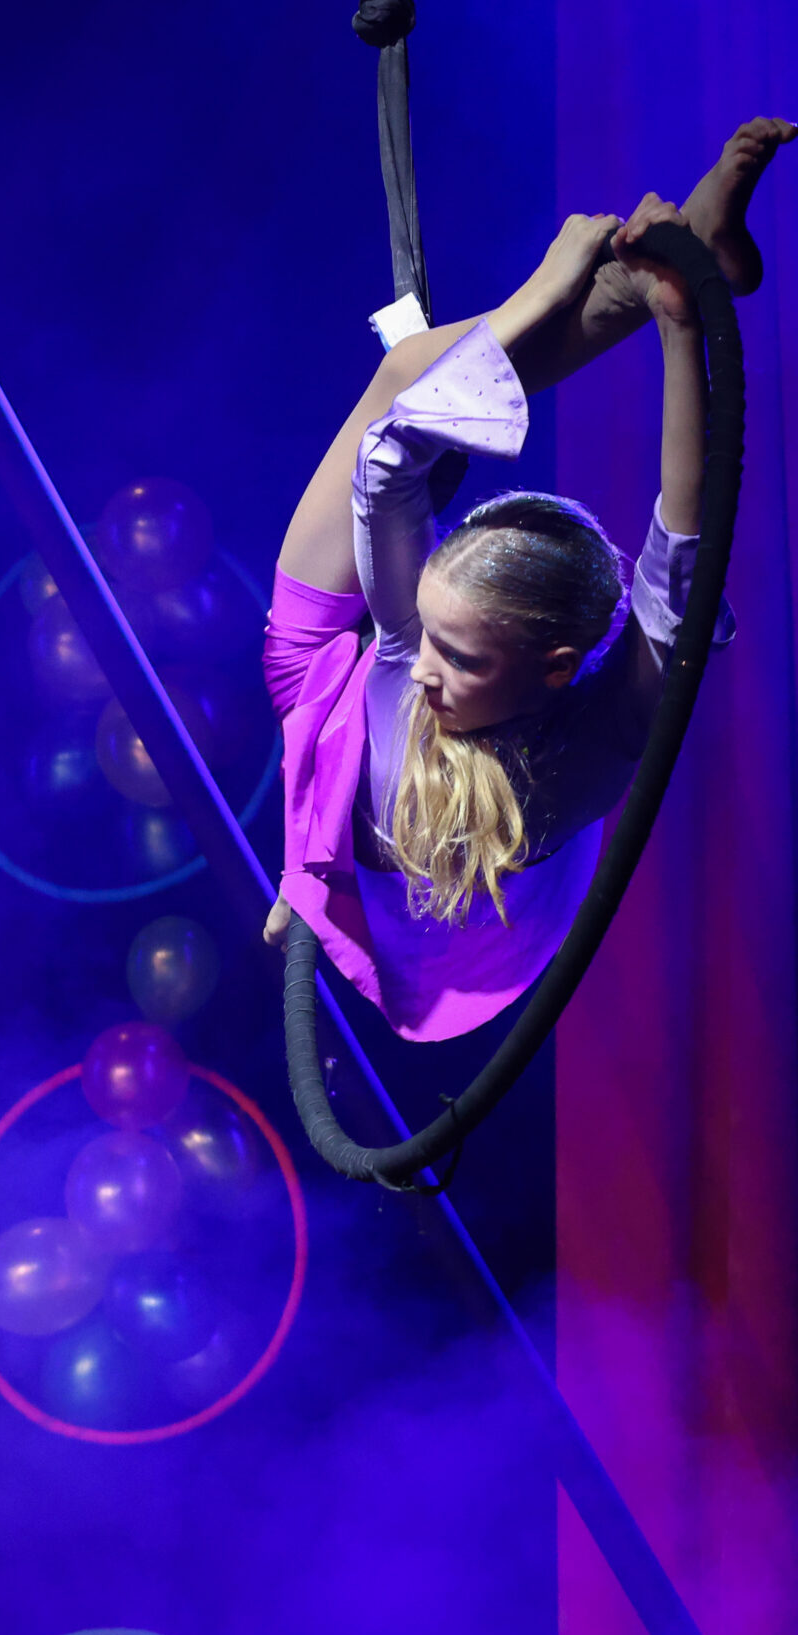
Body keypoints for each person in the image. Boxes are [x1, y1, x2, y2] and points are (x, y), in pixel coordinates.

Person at [263, 119, 792, 1041]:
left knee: (414, 378)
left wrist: (683, 335)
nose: (425, 671)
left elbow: (683, 557)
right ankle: (658, 276)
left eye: (462, 657)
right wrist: (549, 289)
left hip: (321, 698)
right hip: (339, 700)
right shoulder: (407, 652)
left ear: (554, 667)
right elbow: (390, 458)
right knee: (406, 376)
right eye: (430, 635)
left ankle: (661, 282)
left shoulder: (581, 758)